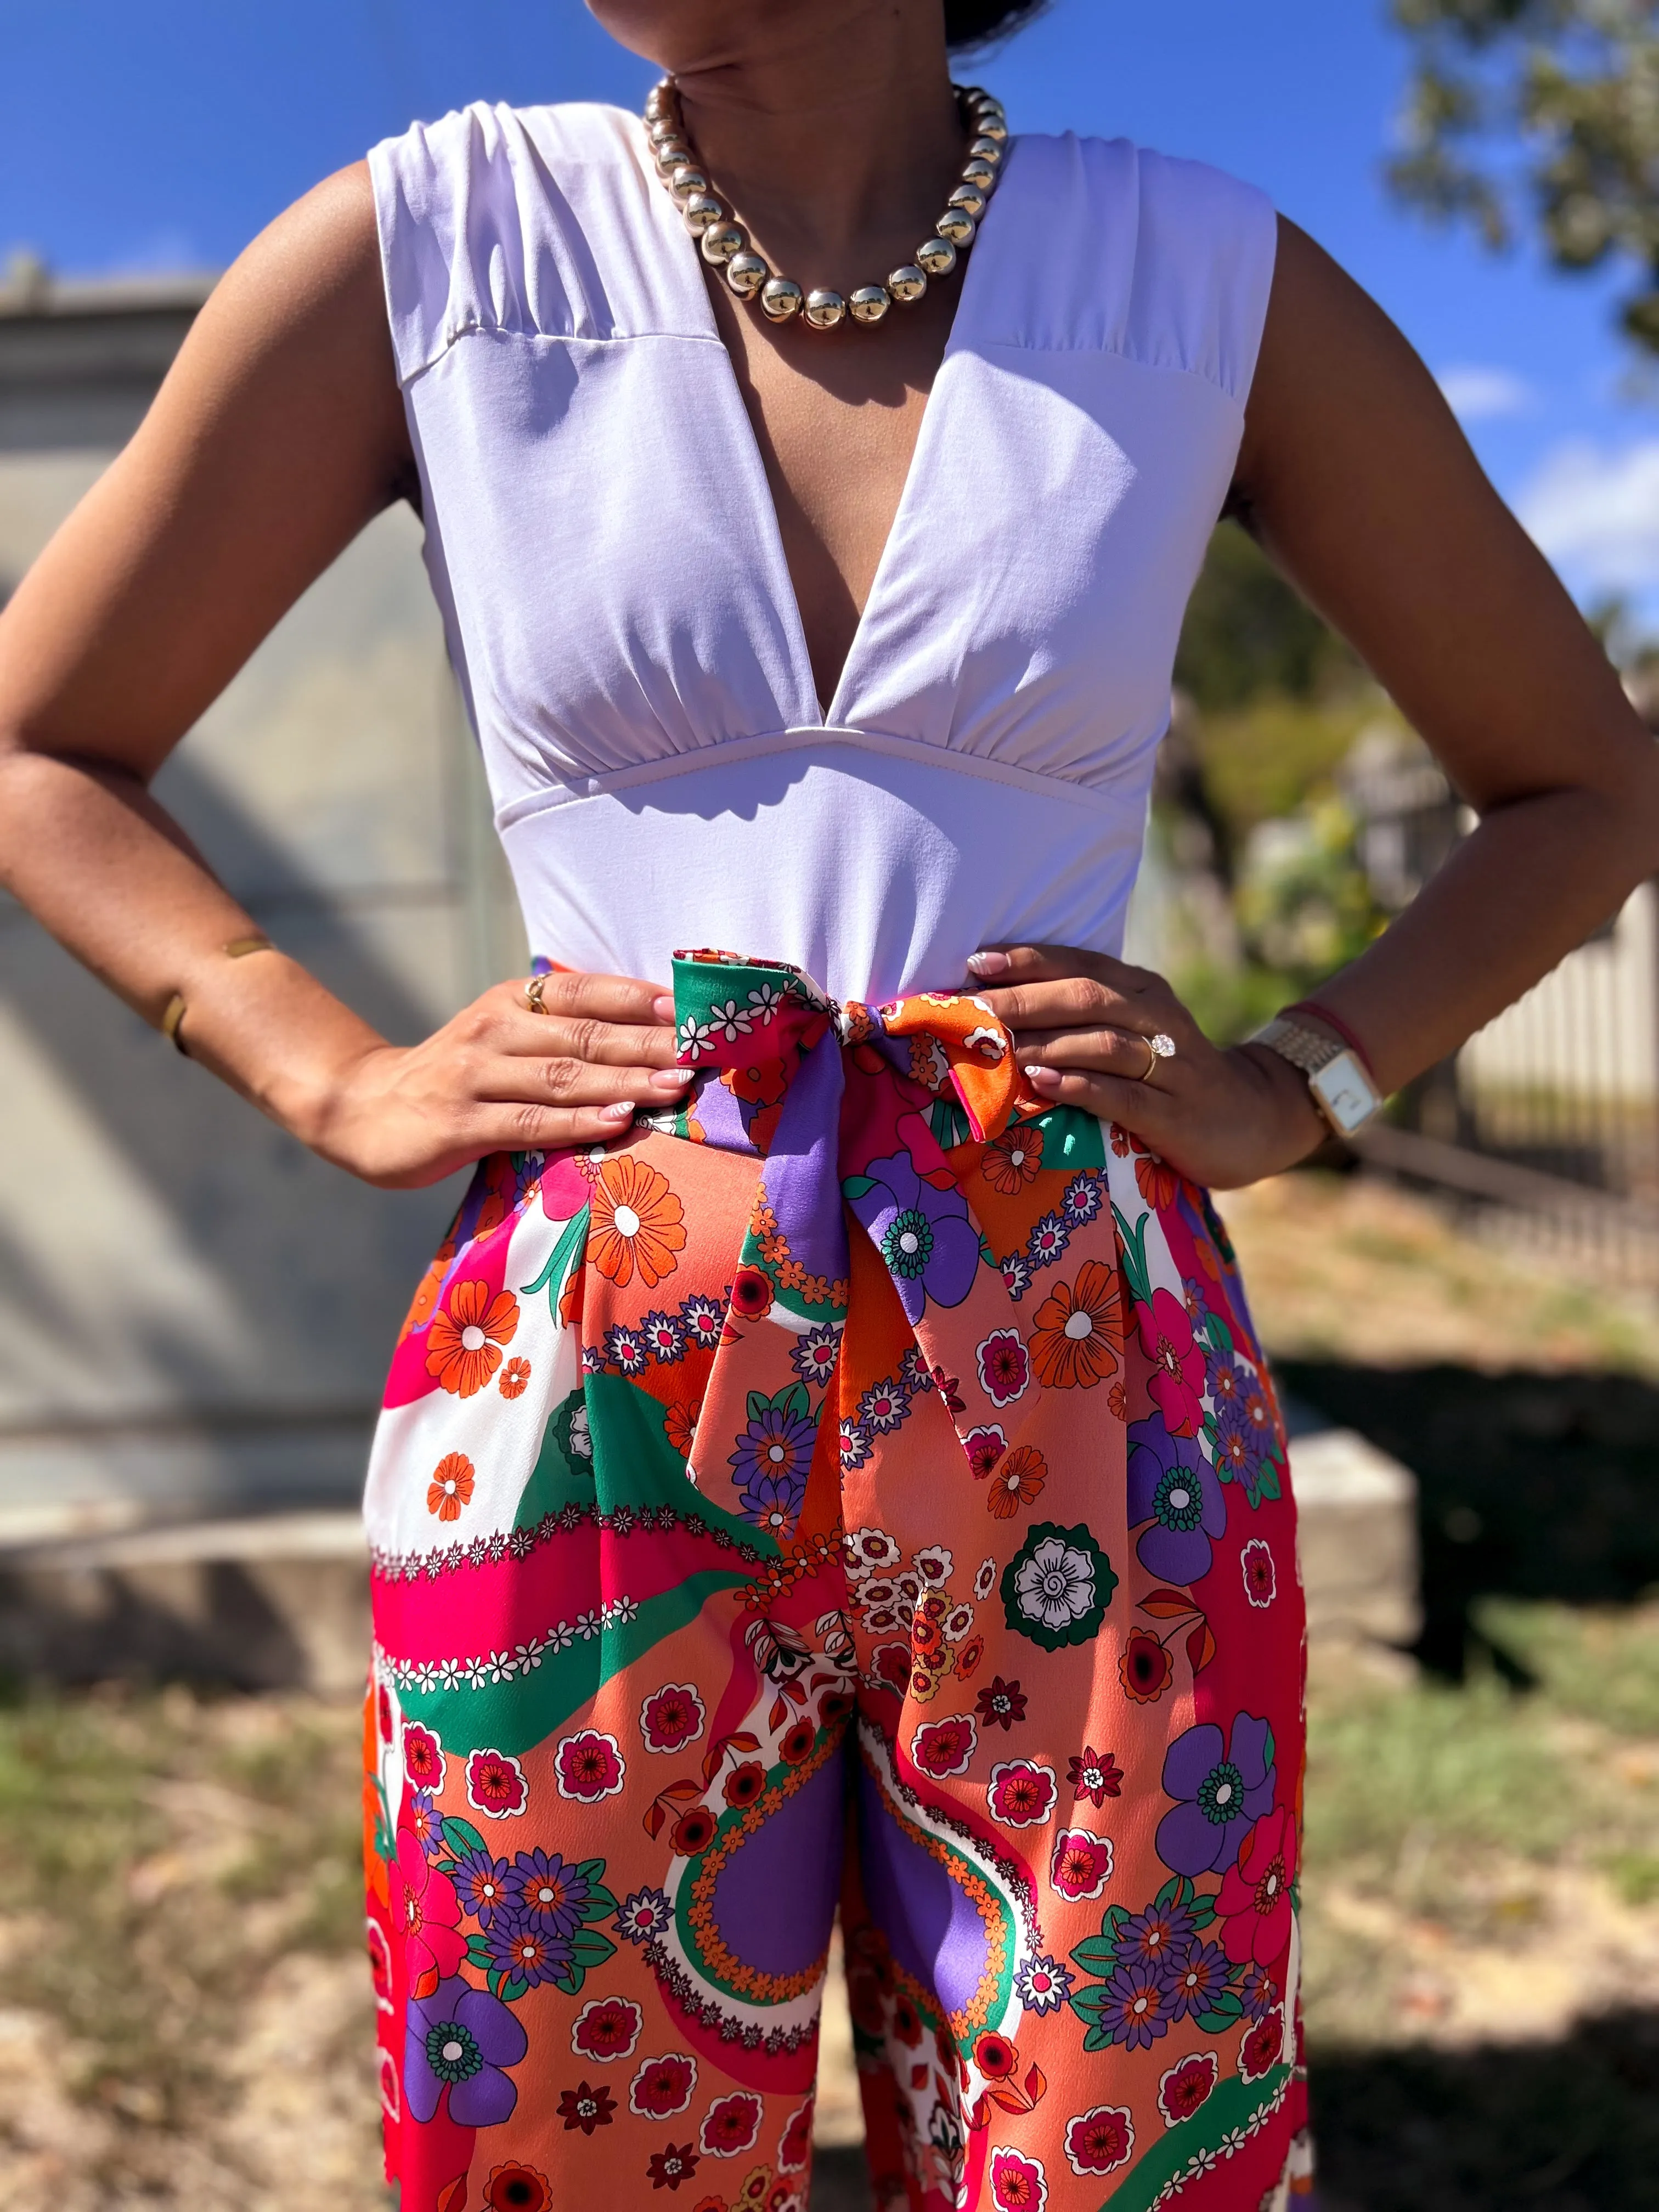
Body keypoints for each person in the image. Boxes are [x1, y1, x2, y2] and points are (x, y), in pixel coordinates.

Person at [2, 2, 1655, 2205]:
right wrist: (322, 1063)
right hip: (592, 1382)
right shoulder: (429, 248)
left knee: (1111, 2151)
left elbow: (1577, 785)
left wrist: (1301, 1077)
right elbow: (44, 747)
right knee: (567, 2157)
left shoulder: (1199, 278)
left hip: (1087, 1366)